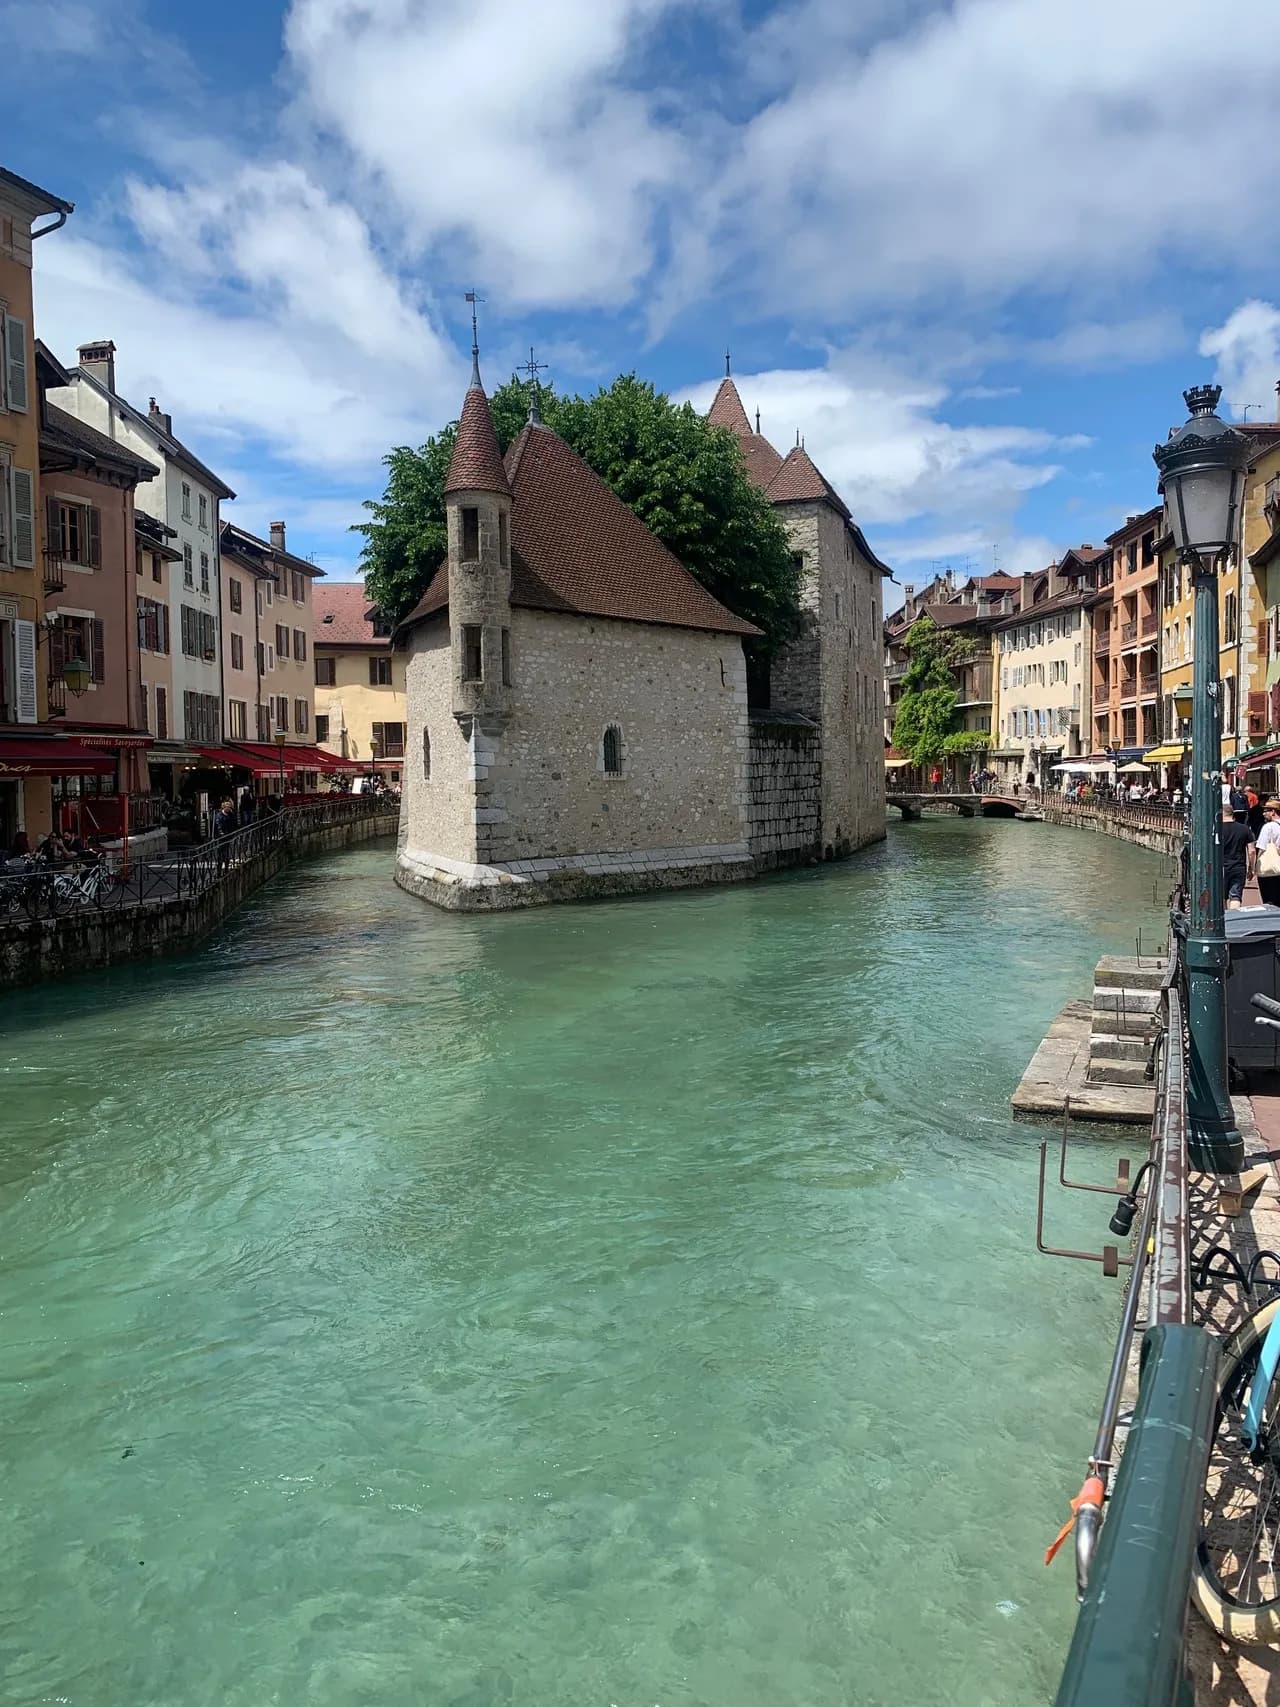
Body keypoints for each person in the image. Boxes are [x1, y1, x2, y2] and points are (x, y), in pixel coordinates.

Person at [1220, 803, 1254, 910]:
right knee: (1236, 896)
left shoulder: (1217, 830)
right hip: (1239, 867)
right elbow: (1252, 851)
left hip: (1221, 867)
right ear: (1232, 814)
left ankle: (1225, 922)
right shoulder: (1244, 829)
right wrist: (1251, 868)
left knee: (1221, 897)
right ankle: (1235, 918)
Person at [1257, 799, 1280, 907]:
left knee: (1269, 899)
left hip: (1270, 869)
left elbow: (1261, 847)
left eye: (1266, 811)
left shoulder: (1268, 827)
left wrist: (1256, 864)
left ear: (1273, 812)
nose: (1263, 813)